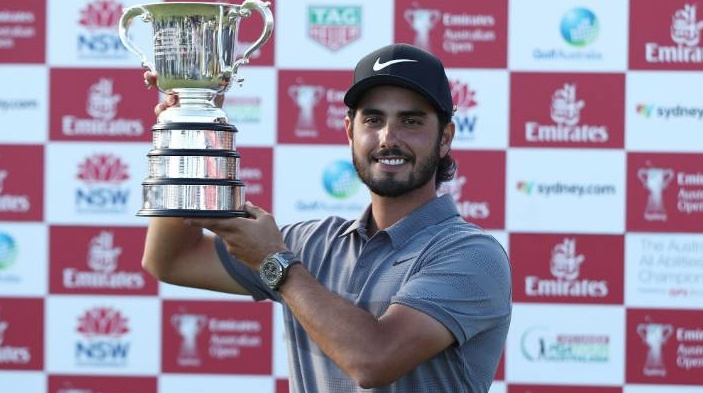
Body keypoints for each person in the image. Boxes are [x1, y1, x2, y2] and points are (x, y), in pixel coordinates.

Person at [142, 43, 512, 392]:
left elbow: (373, 360)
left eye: (411, 121)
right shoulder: (311, 243)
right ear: (350, 131)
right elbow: (172, 259)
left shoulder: (473, 255)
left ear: (445, 137)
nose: (388, 137)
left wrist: (276, 262)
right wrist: (188, 127)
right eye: (373, 120)